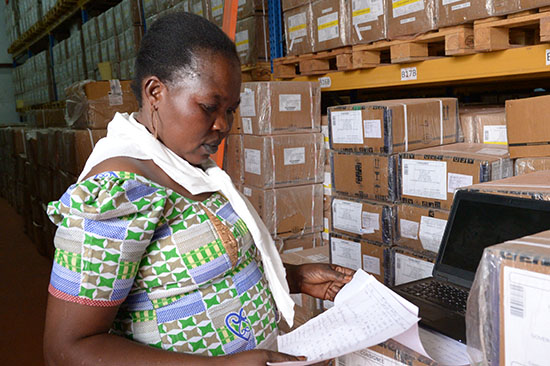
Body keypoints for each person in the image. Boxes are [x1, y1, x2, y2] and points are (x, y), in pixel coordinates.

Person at [43, 11, 354, 366]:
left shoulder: (191, 166)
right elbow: (66, 348)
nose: (222, 124)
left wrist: (295, 277)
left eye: (231, 110)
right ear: (155, 92)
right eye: (208, 107)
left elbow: (208, 267)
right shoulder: (117, 193)